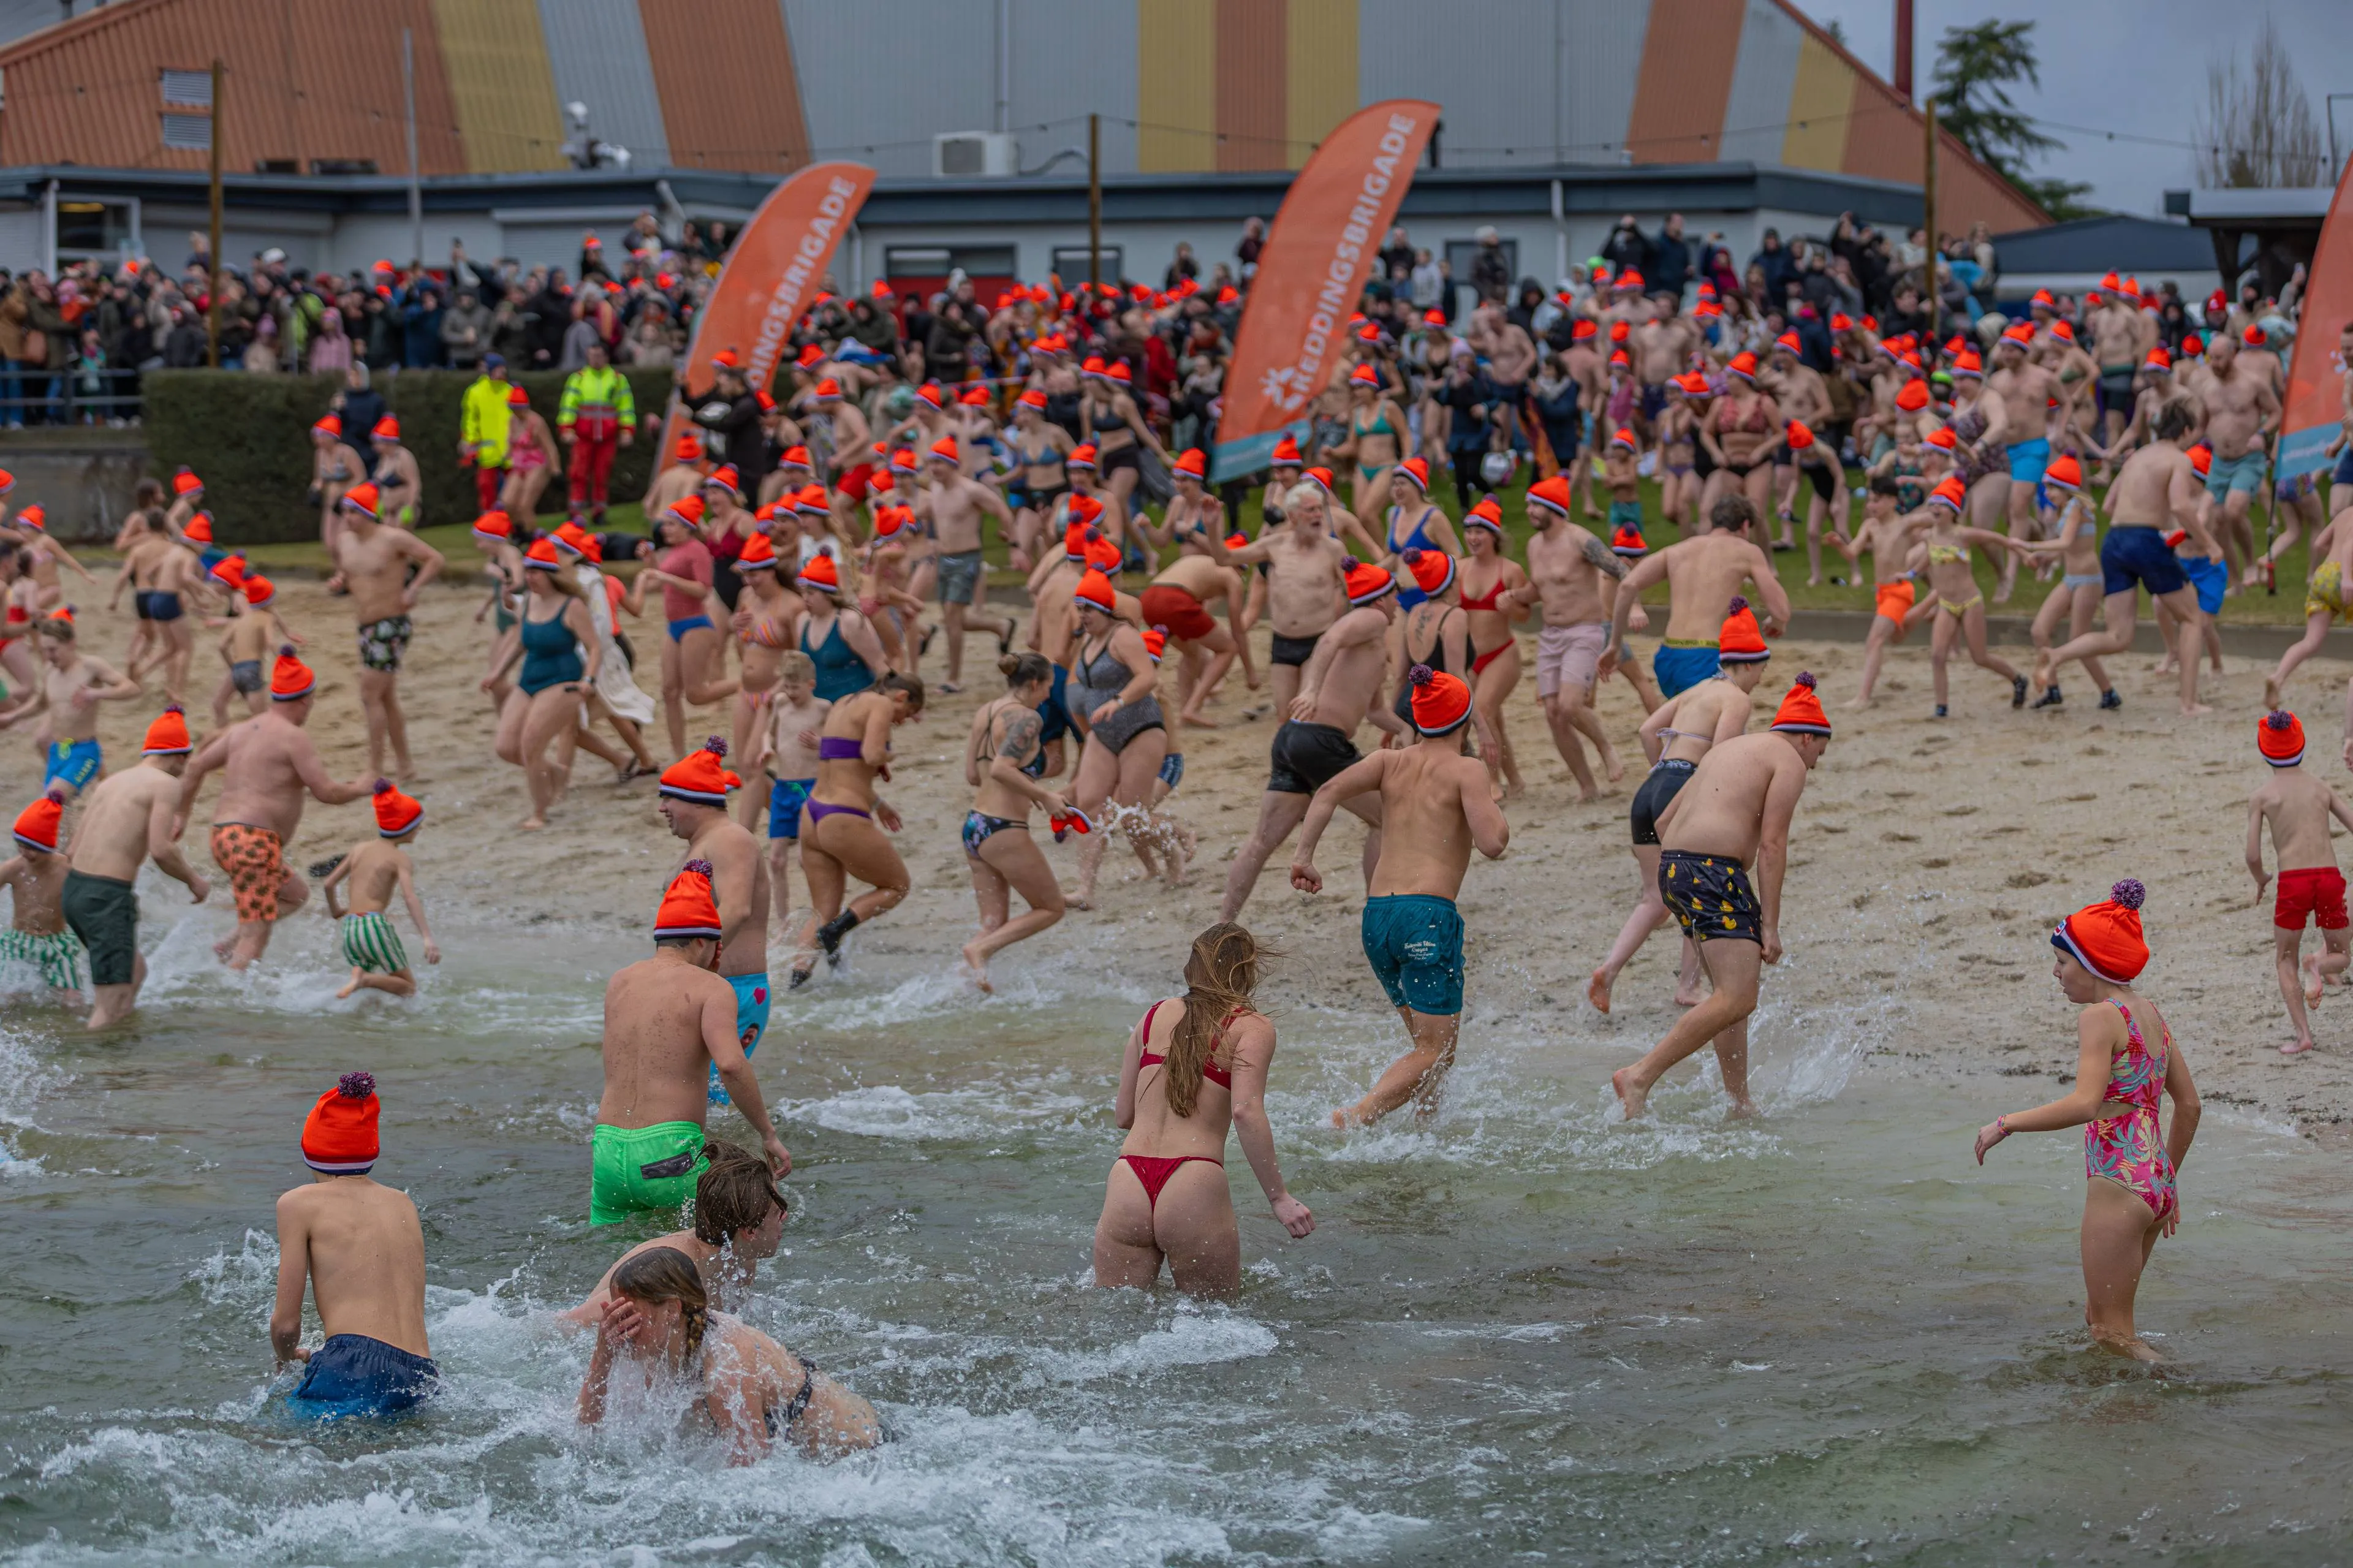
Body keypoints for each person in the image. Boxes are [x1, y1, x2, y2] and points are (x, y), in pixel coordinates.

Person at [1972, 879, 2200, 1363]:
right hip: (2154, 1178)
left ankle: (2186, 1389)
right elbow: (2190, 1105)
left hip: (2119, 1182)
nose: (2056, 972)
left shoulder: (2099, 1016)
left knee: (2111, 1333)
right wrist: (2165, 1178)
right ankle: (2129, 1404)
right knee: (2101, 1319)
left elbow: (2084, 1104)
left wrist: (2006, 1123)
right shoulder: (2149, 1013)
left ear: (2092, 963)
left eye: (2063, 961)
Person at [1292, 666, 1509, 1126]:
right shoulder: (1467, 769)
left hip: (1378, 918)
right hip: (1425, 916)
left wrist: (1304, 857)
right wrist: (1490, 794)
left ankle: (1423, 1132)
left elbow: (1328, 791)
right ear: (1465, 719)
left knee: (1432, 1048)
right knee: (1434, 1049)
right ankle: (1357, 1116)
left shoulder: (1388, 762)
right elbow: (1493, 843)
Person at [1610, 672, 1832, 1120]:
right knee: (1739, 998)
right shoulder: (1787, 760)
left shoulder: (1725, 751)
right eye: (1818, 755)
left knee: (1729, 995)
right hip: (1712, 872)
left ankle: (1739, 1103)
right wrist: (1770, 925)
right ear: (1807, 737)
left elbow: (1665, 821)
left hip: (1677, 869)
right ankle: (1639, 1076)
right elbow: (1773, 846)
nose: (1813, 765)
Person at [1094, 923, 1314, 1295]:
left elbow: (1124, 1116)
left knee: (1116, 1317)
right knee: (1214, 1319)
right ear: (1246, 971)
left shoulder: (1153, 1016)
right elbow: (1245, 1112)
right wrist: (1279, 1198)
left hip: (1128, 1180)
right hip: (1192, 1181)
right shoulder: (1251, 1027)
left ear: (1192, 966)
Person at [1589, 599, 1771, 1015]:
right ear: (1748, 664)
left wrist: (1663, 772)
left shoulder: (1698, 689)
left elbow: (1648, 729)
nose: (1761, 678)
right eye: (1762, 669)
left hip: (1651, 788)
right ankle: (1689, 986)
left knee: (1654, 898)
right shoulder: (1736, 698)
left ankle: (1610, 969)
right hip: (1683, 783)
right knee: (1697, 885)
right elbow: (1721, 756)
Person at [593, 860, 791, 1225]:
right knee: (731, 1235)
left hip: (606, 1150)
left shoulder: (620, 981)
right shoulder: (711, 987)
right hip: (667, 1156)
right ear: (704, 941)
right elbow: (730, 1065)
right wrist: (768, 1133)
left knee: (621, 1253)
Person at [1219, 562, 1404, 922]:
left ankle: (1222, 925)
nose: (1399, 603)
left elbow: (1375, 712)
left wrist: (1410, 731)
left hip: (1293, 739)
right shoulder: (1373, 618)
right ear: (1381, 599)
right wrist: (1311, 690)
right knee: (1386, 818)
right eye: (1396, 595)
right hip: (1321, 742)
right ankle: (1378, 914)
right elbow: (1329, 640)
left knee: (1262, 841)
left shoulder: (1373, 648)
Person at [577, 1245, 882, 1458]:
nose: (620, 1326)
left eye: (630, 1315)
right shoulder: (661, 1346)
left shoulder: (727, 1367)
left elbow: (749, 1477)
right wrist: (604, 1352)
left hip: (859, 1454)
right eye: (616, 1314)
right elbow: (586, 1430)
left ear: (671, 1310)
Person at [175, 647, 372, 969]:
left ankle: (228, 945)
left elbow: (195, 766)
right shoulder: (294, 738)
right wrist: (362, 788)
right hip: (254, 842)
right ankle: (238, 987)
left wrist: (181, 815)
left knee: (295, 895)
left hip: (224, 836)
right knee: (258, 935)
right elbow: (326, 792)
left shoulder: (242, 729)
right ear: (306, 700)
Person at [2033, 398, 2217, 716]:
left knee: (2118, 636)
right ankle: (2188, 703)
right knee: (2192, 619)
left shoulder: (2136, 457)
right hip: (2143, 539)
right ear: (2186, 431)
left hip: (2115, 540)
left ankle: (2057, 655)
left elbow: (2108, 506)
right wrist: (2210, 543)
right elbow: (2180, 506)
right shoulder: (2179, 459)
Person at [272, 1072, 440, 1418]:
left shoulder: (298, 1203)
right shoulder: (402, 1203)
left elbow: (286, 1324)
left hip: (355, 1362)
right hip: (421, 1371)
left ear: (309, 1148)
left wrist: (287, 1357)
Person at [56, 705, 209, 1026]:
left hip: (75, 891)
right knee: (108, 1004)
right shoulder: (165, 785)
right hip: (105, 896)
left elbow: (71, 850)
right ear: (181, 756)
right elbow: (161, 850)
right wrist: (194, 881)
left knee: (135, 972)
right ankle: (97, 1054)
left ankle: (120, 1045)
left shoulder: (112, 782)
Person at [656, 738, 772, 1098]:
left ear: (695, 800)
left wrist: (682, 970)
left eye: (668, 798)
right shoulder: (703, 842)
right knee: (687, 1098)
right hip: (707, 985)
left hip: (732, 989)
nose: (662, 808)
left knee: (701, 1098)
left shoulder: (730, 838)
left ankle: (752, 1133)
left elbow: (737, 909)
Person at [562, 1141, 787, 1325]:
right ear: (750, 1231)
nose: (785, 1217)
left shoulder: (743, 1259)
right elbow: (573, 1323)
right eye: (777, 1212)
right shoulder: (670, 1268)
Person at [1507, 474, 1634, 800]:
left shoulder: (1580, 540)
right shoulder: (1534, 545)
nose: (1529, 511)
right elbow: (1540, 587)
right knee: (1553, 713)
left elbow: (1623, 571)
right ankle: (1587, 787)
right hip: (1550, 634)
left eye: (1535, 505)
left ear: (1553, 508)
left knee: (1570, 705)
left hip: (1584, 631)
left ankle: (1605, 747)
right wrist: (1516, 596)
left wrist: (1635, 607)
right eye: (1528, 504)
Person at [795, 672, 925, 985]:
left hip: (812, 813)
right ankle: (835, 933)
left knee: (822, 910)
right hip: (842, 817)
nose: (901, 722)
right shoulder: (881, 704)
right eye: (906, 714)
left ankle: (796, 982)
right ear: (901, 697)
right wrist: (889, 753)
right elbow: (872, 754)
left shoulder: (844, 703)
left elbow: (845, 764)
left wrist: (880, 805)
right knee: (897, 886)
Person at [1604, 493, 1790, 700]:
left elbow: (1627, 586)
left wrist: (1615, 644)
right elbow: (1781, 610)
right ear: (1745, 526)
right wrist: (1777, 623)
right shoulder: (1747, 551)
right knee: (1727, 713)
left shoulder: (1677, 550)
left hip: (1668, 656)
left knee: (1684, 717)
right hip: (1707, 656)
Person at [958, 651, 1070, 991]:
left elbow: (974, 775)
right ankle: (979, 951)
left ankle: (966, 984)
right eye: (1048, 687)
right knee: (1051, 908)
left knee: (993, 923)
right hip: (1003, 828)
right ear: (1034, 684)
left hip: (975, 826)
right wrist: (1044, 796)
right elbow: (1001, 769)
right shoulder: (1027, 718)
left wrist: (1023, 787)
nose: (1048, 695)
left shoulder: (986, 711)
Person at [2245, 710, 2353, 1055]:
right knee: (2341, 954)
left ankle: (2303, 1036)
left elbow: (2252, 855)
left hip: (2293, 883)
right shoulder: (2321, 787)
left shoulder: (2263, 796)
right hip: (2328, 877)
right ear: (2302, 745)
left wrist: (2262, 879)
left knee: (2285, 958)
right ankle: (2318, 965)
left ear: (2264, 751)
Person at [330, 482, 445, 782]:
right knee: (386, 697)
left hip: (391, 624)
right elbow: (351, 572)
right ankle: (405, 765)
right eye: (345, 512)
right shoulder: (344, 541)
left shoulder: (393, 539)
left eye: (353, 512)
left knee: (369, 694)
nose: (347, 518)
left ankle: (375, 769)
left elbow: (435, 559)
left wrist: (414, 589)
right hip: (365, 626)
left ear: (369, 514)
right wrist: (340, 581)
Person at [1065, 567, 1165, 910]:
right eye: (1079, 608)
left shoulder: (1123, 636)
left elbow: (1148, 678)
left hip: (1140, 729)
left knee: (1133, 816)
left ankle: (1176, 848)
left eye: (1088, 609)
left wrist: (1117, 702)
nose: (1082, 615)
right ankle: (1085, 890)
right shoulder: (1088, 639)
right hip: (1104, 733)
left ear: (1105, 609)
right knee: (1089, 806)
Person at [484, 537, 600, 828]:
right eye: (527, 572)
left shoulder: (571, 605)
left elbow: (594, 647)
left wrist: (589, 679)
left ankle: (539, 811)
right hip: (530, 678)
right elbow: (521, 642)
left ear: (550, 574)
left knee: (531, 745)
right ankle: (557, 772)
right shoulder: (529, 602)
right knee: (505, 747)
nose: (529, 578)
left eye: (535, 572)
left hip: (564, 679)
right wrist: (498, 672)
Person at [910, 436, 1015, 692]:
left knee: (952, 616)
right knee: (953, 619)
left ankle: (953, 678)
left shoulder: (971, 490)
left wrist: (1012, 541)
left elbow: (1002, 509)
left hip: (967, 558)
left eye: (939, 463)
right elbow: (929, 512)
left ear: (952, 465)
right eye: (931, 463)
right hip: (944, 559)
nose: (934, 469)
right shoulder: (935, 489)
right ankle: (1000, 626)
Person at [318, 779, 439, 1001]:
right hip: (373, 925)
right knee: (408, 988)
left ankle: (360, 978)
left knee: (368, 979)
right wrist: (427, 938)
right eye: (418, 825)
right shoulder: (399, 858)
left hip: (350, 926)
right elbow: (410, 898)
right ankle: (365, 980)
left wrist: (336, 910)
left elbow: (328, 884)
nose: (420, 829)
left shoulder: (359, 849)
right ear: (406, 828)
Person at [0, 610, 138, 800]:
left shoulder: (90, 666)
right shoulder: (50, 671)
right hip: (59, 750)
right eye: (44, 650)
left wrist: (96, 693)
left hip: (84, 751)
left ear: (71, 644)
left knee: (53, 798)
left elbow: (131, 689)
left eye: (53, 650)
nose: (48, 656)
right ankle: (101, 793)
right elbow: (41, 704)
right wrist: (13, 716)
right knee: (54, 808)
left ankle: (101, 787)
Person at [752, 650, 826, 939]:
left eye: (796, 688)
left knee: (807, 859)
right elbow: (768, 733)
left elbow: (838, 744)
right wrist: (766, 747)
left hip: (811, 787)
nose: (791, 693)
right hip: (784, 787)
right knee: (776, 859)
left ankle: (821, 911)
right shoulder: (782, 703)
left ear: (811, 684)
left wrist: (821, 744)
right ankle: (783, 922)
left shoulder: (823, 709)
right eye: (787, 686)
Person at [0, 789, 85, 1002]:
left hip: (58, 942)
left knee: (73, 998)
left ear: (48, 847)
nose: (24, 853)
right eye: (20, 846)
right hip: (20, 941)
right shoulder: (12, 868)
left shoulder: (67, 869)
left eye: (31, 848)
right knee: (11, 998)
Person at [559, 338, 636, 523]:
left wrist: (627, 430)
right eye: (591, 356)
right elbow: (568, 406)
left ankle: (599, 512)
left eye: (598, 356)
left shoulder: (617, 379)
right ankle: (575, 512)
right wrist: (566, 429)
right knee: (578, 474)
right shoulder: (579, 378)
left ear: (606, 357)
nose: (594, 359)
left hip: (608, 437)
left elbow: (626, 407)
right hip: (583, 436)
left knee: (602, 475)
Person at [460, 354, 515, 510]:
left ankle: (511, 519)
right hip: (487, 451)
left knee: (513, 490)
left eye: (503, 369)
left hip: (510, 449)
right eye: (498, 369)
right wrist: (470, 440)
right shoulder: (475, 392)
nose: (502, 372)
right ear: (490, 370)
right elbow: (470, 420)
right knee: (486, 488)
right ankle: (488, 519)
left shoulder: (510, 391)